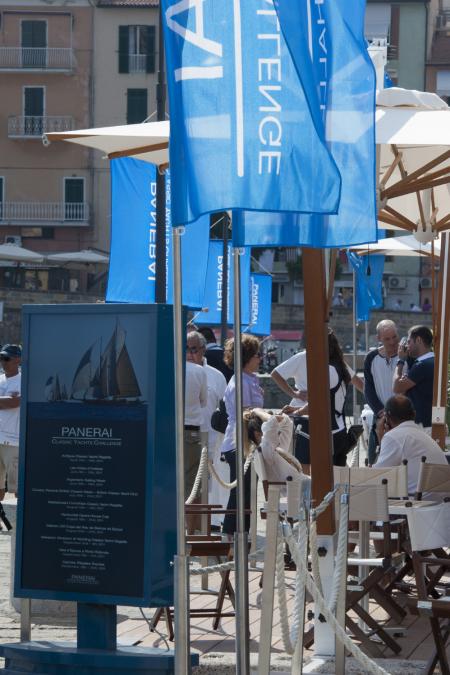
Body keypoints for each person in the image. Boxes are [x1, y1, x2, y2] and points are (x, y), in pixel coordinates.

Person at [282, 330, 363, 473]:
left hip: (326, 432)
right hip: (339, 429)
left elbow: (317, 404)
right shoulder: (340, 366)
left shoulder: (326, 370)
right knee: (337, 477)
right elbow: (358, 385)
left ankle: (308, 496)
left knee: (309, 474)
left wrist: (297, 412)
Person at [221, 335, 264, 536]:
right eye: (258, 355)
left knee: (246, 493)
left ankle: (240, 537)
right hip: (240, 442)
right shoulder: (241, 381)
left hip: (246, 442)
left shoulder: (249, 379)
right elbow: (247, 412)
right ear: (247, 357)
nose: (260, 359)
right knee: (240, 493)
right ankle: (231, 537)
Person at [185, 331, 228, 528]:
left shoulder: (216, 376)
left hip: (209, 439)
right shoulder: (175, 371)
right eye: (185, 349)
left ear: (203, 350)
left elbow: (224, 409)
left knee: (204, 489)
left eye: (193, 349)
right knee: (188, 488)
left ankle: (201, 530)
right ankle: (186, 530)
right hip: (185, 437)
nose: (188, 354)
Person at [374, 395, 447, 495]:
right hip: (441, 504)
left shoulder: (393, 437)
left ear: (386, 418)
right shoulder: (422, 435)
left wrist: (380, 437)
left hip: (418, 504)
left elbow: (376, 477)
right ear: (414, 414)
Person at [363, 319, 400, 463]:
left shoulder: (407, 357)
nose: (392, 342)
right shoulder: (371, 358)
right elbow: (369, 389)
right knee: (374, 459)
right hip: (380, 417)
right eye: (387, 338)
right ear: (379, 339)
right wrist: (380, 412)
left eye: (394, 337)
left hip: (402, 417)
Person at [185, 334, 208, 531]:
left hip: (170, 431)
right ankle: (189, 534)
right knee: (192, 486)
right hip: (191, 433)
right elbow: (203, 401)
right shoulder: (199, 371)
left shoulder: (170, 367)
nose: (191, 354)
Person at [393, 325, 434, 431]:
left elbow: (396, 388)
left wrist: (400, 360)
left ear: (419, 340)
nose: (407, 345)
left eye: (409, 341)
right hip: (427, 423)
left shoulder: (421, 365)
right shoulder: (432, 360)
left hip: (422, 426)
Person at [0, 345, 22, 502]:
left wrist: (11, 401)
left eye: (6, 358)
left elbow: (15, 403)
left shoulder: (23, 380)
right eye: (1, 358)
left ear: (18, 360)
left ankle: (22, 524)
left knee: (17, 489)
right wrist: (7, 400)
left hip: (13, 442)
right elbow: (10, 402)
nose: (3, 362)